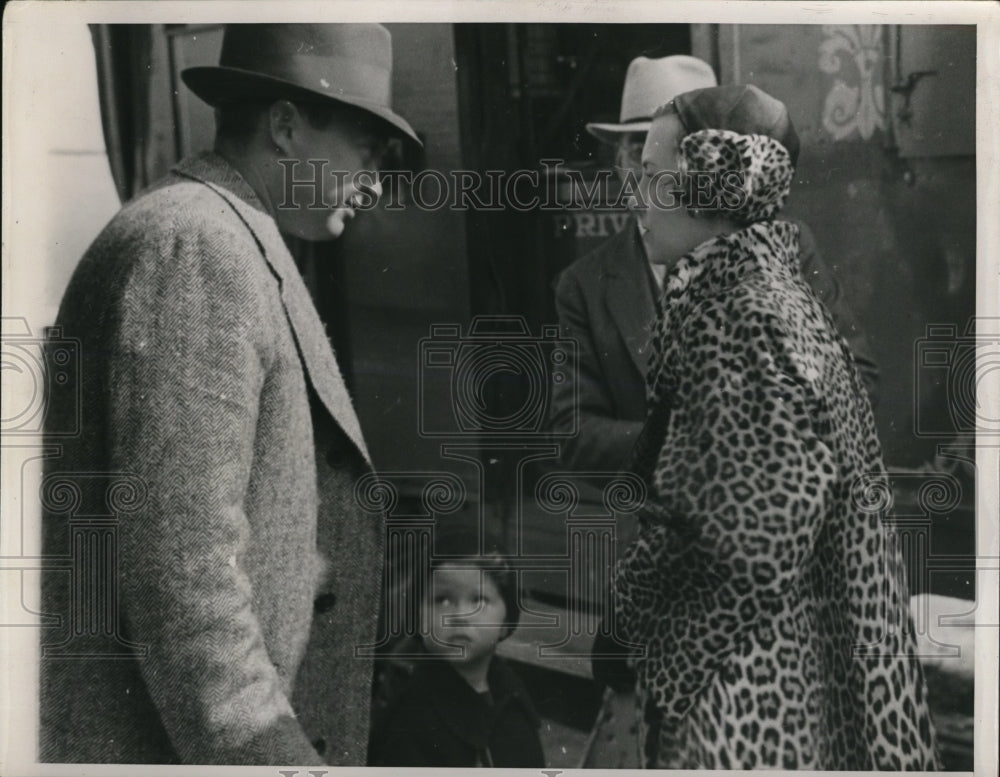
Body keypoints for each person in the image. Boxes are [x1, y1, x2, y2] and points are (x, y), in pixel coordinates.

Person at [38, 24, 418, 765]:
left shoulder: (217, 232)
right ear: (283, 125)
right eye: (366, 153)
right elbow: (185, 569)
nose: (375, 181)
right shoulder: (199, 245)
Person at [613, 84, 939, 769]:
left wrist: (663, 661)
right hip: (783, 666)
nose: (636, 194)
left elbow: (757, 541)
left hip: (748, 692)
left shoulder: (740, 311)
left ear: (709, 183)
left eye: (652, 175)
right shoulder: (762, 287)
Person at [551, 55, 879, 473]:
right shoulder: (585, 284)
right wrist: (696, 443)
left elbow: (858, 381)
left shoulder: (789, 247)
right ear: (621, 164)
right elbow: (573, 433)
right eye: (638, 154)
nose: (650, 181)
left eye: (676, 156)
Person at [368, 522, 545, 767]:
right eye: (443, 600)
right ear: (418, 618)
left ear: (505, 621)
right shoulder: (410, 721)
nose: (461, 615)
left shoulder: (511, 698)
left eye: (479, 600)